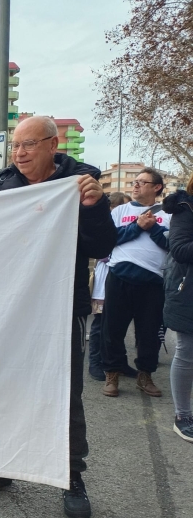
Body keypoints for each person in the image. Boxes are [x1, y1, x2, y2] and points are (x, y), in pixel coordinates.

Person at [0, 116, 117, 518]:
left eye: (29, 145)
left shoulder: (80, 186)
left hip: (58, 311)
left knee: (64, 396)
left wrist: (91, 209)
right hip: (7, 310)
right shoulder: (1, 186)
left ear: (53, 145)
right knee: (2, 389)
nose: (19, 153)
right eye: (15, 146)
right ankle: (1, 466)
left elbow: (103, 244)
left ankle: (71, 476)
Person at [100, 167, 170, 397]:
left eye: (142, 182)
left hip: (153, 282)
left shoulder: (169, 214)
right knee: (112, 329)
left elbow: (172, 246)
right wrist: (137, 226)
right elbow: (108, 240)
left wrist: (154, 228)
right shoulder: (120, 211)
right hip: (119, 278)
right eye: (136, 181)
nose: (136, 185)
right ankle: (112, 374)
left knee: (149, 333)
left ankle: (145, 375)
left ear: (157, 187)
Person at [87, 192, 137, 381]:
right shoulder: (104, 224)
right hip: (106, 277)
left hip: (122, 279)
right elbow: (101, 250)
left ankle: (119, 362)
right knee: (100, 324)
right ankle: (95, 362)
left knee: (118, 325)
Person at [161, 180, 193, 442]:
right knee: (187, 352)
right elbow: (179, 249)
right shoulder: (185, 208)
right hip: (188, 291)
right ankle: (183, 416)